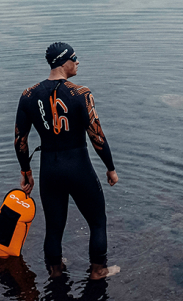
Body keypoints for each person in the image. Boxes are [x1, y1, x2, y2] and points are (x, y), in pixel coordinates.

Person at [15, 42, 120, 280]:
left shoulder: (29, 95)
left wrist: (26, 171)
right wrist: (110, 168)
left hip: (50, 170)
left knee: (53, 228)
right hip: (78, 167)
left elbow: (20, 140)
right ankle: (98, 271)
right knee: (97, 221)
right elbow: (97, 136)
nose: (78, 62)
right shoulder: (82, 94)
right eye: (75, 58)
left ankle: (55, 273)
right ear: (64, 62)